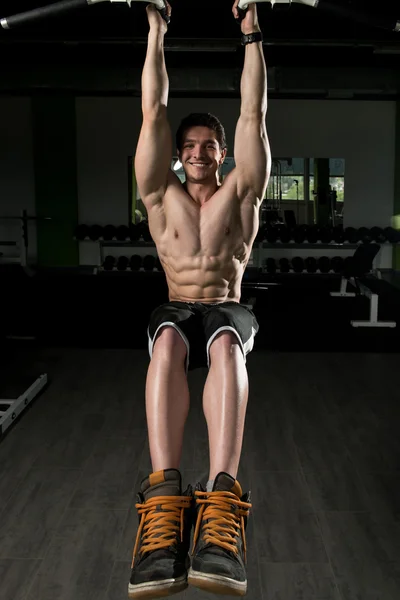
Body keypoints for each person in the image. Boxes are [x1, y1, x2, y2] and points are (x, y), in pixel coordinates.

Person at [129, 1, 271, 598]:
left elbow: (253, 111)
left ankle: (220, 506)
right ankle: (165, 498)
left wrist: (252, 32)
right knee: (165, 341)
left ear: (222, 152)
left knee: (226, 345)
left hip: (227, 306)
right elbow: (153, 107)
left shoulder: (242, 193)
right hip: (175, 305)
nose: (195, 151)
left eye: (208, 144)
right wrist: (158, 32)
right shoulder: (160, 193)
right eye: (188, 144)